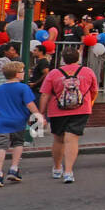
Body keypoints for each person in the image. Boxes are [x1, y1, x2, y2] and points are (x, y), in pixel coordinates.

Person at [38, 47, 98, 184]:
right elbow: (94, 91)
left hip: (57, 110)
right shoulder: (87, 72)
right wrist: (90, 104)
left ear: (63, 59)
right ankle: (69, 171)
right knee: (72, 139)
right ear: (78, 58)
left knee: (58, 139)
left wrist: (41, 113)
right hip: (81, 109)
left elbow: (45, 94)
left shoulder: (53, 73)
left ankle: (57, 168)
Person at [0, 61, 42, 188]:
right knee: (18, 143)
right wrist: (38, 115)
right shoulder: (23, 88)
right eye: (22, 71)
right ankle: (14, 168)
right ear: (17, 74)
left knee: (0, 147)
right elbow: (29, 104)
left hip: (1, 122)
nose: (24, 73)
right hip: (18, 121)